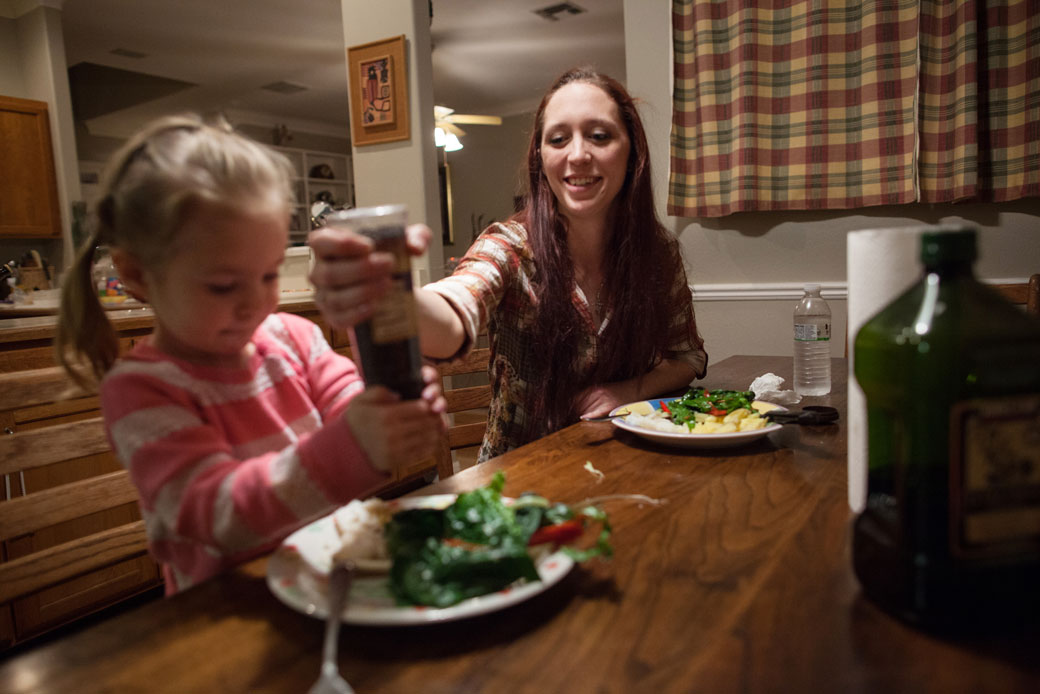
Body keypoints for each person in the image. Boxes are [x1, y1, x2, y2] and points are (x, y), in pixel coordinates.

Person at [54, 114, 446, 594]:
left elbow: (349, 404)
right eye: (223, 285)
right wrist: (353, 443)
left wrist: (391, 412)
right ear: (136, 274)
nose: (257, 303)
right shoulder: (139, 390)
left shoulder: (294, 338)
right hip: (225, 611)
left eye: (269, 274)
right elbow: (218, 513)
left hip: (325, 581)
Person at [309, 66, 707, 462]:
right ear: (541, 156)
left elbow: (687, 357)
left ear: (632, 149)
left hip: (629, 460)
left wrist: (628, 391)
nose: (578, 154)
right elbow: (456, 308)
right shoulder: (510, 246)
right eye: (558, 139)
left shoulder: (658, 253)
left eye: (600, 136)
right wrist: (388, 293)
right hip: (520, 476)